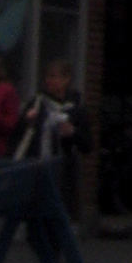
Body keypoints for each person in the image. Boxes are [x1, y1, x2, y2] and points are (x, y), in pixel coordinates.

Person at [33, 59, 93, 220]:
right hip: (40, 167)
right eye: (48, 77)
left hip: (62, 170)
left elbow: (87, 145)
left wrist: (72, 132)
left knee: (58, 218)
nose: (50, 81)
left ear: (66, 80)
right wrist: (29, 121)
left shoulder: (76, 109)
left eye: (55, 77)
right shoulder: (38, 103)